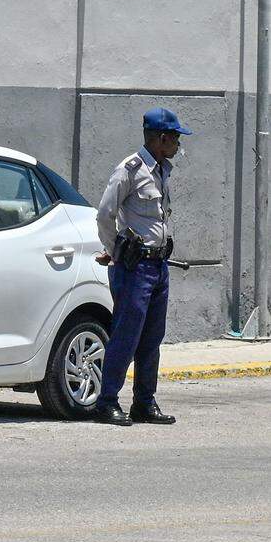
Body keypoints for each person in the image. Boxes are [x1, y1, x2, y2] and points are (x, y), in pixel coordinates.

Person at [92, 107, 191, 426]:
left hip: (158, 265)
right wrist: (115, 251)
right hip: (135, 267)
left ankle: (144, 402)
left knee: (152, 337)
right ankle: (107, 402)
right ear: (160, 138)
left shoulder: (163, 169)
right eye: (175, 138)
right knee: (126, 335)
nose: (178, 143)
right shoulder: (130, 169)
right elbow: (105, 214)